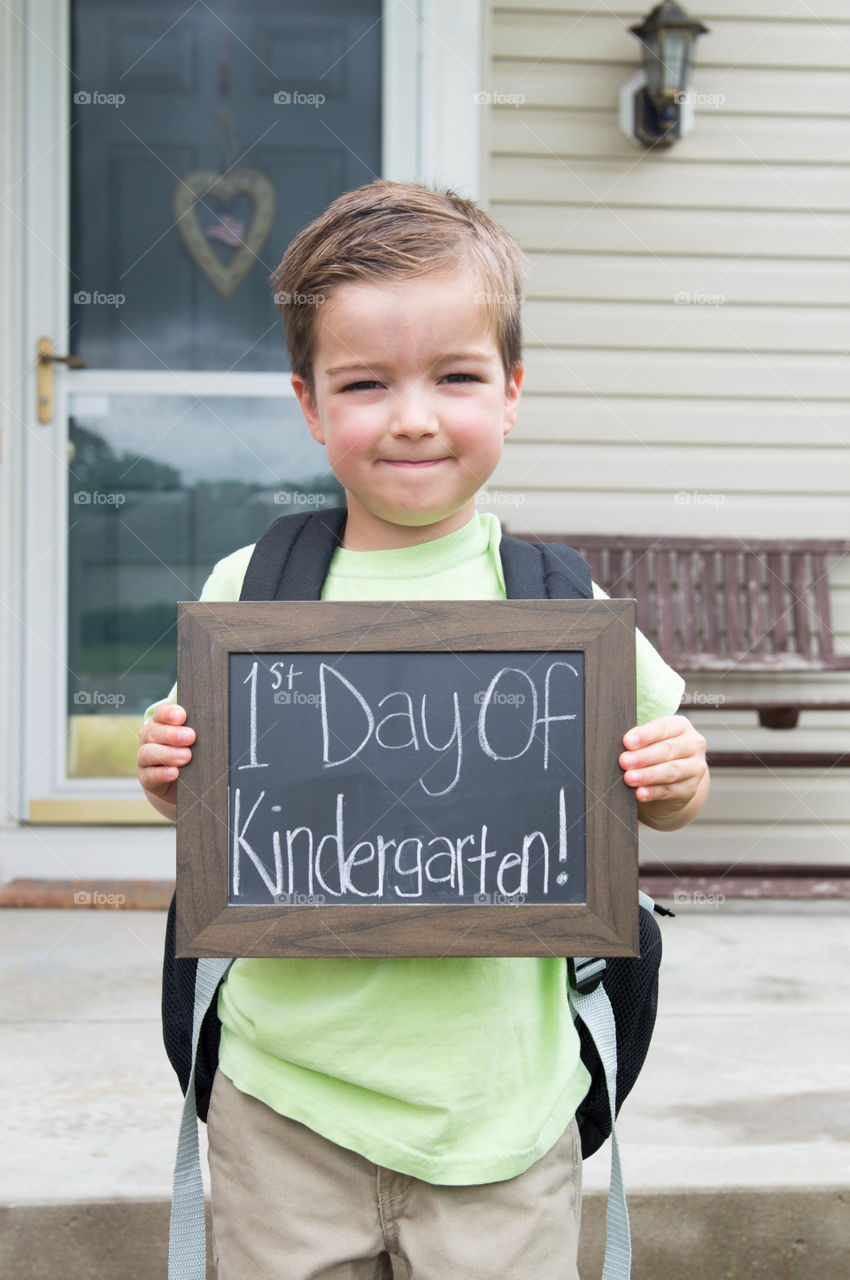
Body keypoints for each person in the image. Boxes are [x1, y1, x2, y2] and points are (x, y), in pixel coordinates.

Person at [138, 180, 709, 1280]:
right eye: (365, 384)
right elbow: (209, 800)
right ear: (308, 404)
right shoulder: (256, 589)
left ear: (512, 390)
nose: (412, 415)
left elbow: (667, 783)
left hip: (499, 1108)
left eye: (455, 376)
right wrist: (167, 772)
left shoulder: (559, 604)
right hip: (284, 1096)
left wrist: (675, 777)